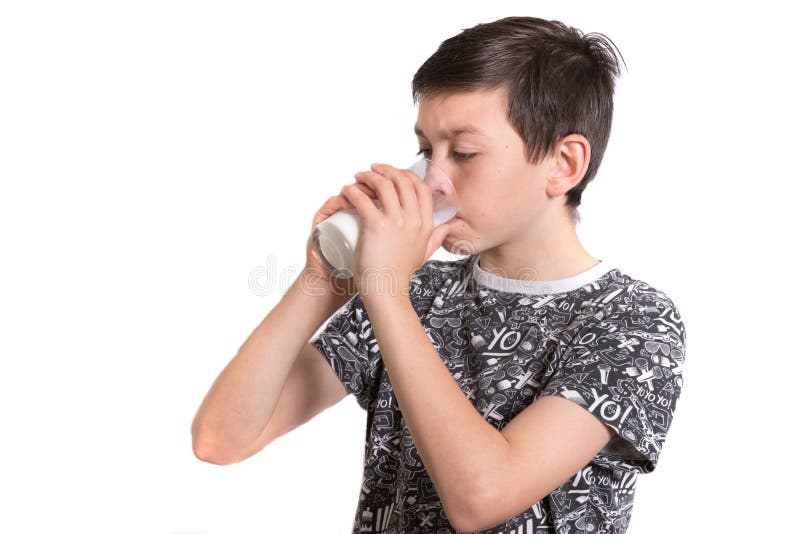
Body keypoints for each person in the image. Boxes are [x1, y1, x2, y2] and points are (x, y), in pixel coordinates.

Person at [191, 15, 687, 534]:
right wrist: (323, 280)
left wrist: (385, 290)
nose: (435, 180)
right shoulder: (415, 292)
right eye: (428, 151)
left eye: (465, 153)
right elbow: (221, 439)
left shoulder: (633, 321)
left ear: (563, 163)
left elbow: (481, 497)